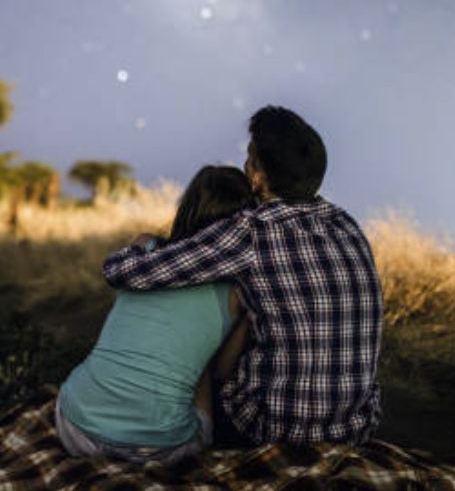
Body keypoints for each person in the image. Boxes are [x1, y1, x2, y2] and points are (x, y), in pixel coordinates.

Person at [104, 106, 384, 447]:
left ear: (258, 178)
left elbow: (123, 272)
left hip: (273, 429)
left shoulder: (251, 231)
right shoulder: (348, 225)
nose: (245, 165)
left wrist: (139, 247)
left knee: (207, 361)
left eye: (250, 158)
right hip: (353, 428)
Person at [55, 166, 255, 464]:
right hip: (157, 448)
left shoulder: (144, 246)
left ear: (188, 207)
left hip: (73, 425)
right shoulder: (238, 294)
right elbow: (222, 373)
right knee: (201, 363)